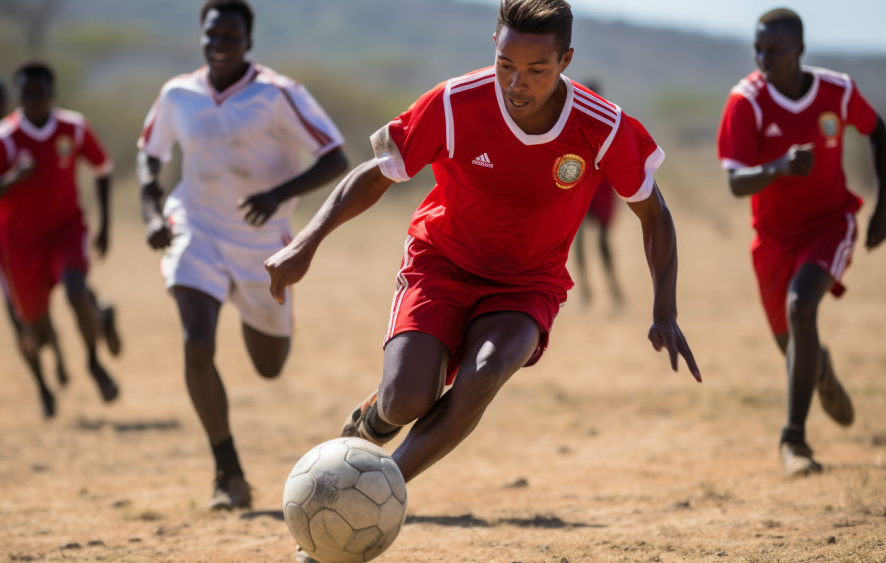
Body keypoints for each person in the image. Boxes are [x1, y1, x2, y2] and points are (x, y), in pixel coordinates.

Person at [267, 0, 701, 491]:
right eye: (505, 64)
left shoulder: (603, 126)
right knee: (408, 400)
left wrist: (665, 308)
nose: (517, 84)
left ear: (566, 60)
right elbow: (378, 174)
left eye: (537, 69)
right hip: (442, 263)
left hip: (526, 284)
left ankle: (376, 492)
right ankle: (374, 419)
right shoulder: (455, 104)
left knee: (486, 370)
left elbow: (654, 215)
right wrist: (305, 242)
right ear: (493, 48)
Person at [136, 0, 349, 510]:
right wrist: (150, 212)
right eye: (213, 34)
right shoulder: (178, 94)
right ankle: (227, 472)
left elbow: (336, 157)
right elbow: (149, 156)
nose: (220, 43)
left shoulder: (279, 95)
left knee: (269, 366)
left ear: (247, 42)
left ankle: (244, 307)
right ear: (203, 37)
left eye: (231, 36)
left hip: (261, 245)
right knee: (195, 342)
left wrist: (276, 195)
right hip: (195, 228)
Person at [716, 8, 886, 476]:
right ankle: (821, 372)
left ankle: (794, 442)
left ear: (799, 50)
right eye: (758, 49)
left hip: (830, 224)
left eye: (774, 50)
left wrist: (883, 206)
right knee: (791, 341)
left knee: (801, 307)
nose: (762, 58)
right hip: (772, 239)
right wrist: (777, 168)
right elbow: (735, 184)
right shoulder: (745, 101)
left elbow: (878, 132)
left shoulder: (838, 91)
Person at [0, 60, 123, 418]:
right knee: (37, 334)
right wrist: (13, 178)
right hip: (22, 244)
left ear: (51, 94)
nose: (34, 100)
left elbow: (102, 169)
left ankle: (93, 362)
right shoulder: (4, 139)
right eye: (26, 93)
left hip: (66, 229)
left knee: (75, 288)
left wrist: (104, 225)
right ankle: (97, 319)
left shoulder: (73, 127)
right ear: (18, 95)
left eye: (40, 93)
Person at [0, 72, 76, 418]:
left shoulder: (17, 132)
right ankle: (42, 387)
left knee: (54, 295)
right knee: (19, 315)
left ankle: (60, 354)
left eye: (0, 99)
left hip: (32, 229)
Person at [571, 80, 625, 309]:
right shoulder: (575, 122)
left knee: (601, 241)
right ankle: (586, 291)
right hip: (583, 186)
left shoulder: (609, 119)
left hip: (601, 187)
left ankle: (612, 290)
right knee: (579, 239)